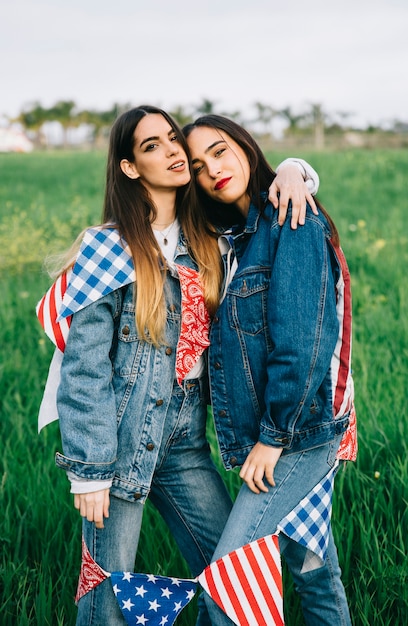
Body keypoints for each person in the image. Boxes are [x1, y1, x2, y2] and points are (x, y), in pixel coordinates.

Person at [37, 105, 320, 625]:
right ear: (128, 168)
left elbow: (257, 199)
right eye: (151, 146)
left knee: (233, 576)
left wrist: (295, 167)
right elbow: (84, 369)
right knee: (108, 594)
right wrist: (91, 470)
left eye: (173, 140)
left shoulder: (205, 239)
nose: (171, 152)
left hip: (185, 440)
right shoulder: (110, 249)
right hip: (119, 441)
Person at [184, 115, 356, 625]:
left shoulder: (291, 217)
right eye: (197, 165)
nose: (212, 169)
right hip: (274, 434)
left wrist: (273, 436)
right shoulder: (228, 241)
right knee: (312, 570)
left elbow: (303, 342)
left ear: (244, 146)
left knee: (227, 586)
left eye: (219, 151)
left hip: (295, 433)